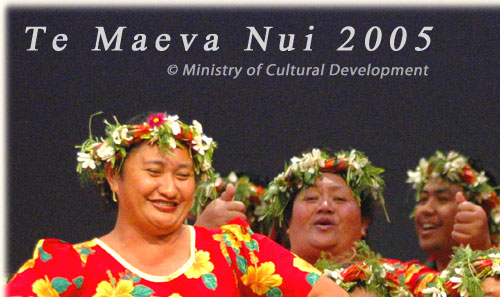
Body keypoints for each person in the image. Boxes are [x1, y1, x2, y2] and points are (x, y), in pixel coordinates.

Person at [7, 112, 348, 297]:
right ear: (114, 175)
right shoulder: (67, 269)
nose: (169, 189)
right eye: (154, 171)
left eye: (183, 175)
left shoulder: (234, 253)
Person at [407, 150, 499, 271]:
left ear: (482, 211)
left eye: (442, 199)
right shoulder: (411, 282)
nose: (426, 209)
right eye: (423, 199)